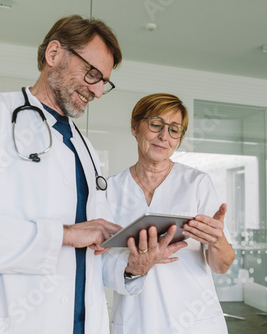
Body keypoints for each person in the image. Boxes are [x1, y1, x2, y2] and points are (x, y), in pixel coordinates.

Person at [0, 15, 184, 334]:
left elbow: (95, 254)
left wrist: (135, 266)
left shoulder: (86, 149)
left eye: (103, 81)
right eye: (92, 74)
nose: (97, 91)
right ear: (54, 54)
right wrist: (62, 234)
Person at [104, 93, 236, 333]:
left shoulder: (197, 183)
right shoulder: (110, 189)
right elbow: (97, 262)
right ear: (135, 127)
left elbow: (222, 266)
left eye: (175, 130)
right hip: (136, 320)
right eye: (156, 124)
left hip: (194, 322)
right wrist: (134, 266)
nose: (164, 136)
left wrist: (218, 241)